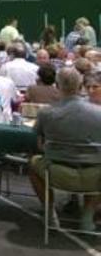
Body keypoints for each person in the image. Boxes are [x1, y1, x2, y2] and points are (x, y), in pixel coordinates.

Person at [28, 68, 101, 232]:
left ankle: (49, 212)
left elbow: (38, 141)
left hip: (56, 173)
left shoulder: (45, 113)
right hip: (95, 176)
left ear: (57, 85)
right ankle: (88, 215)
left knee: (32, 164)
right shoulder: (99, 113)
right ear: (81, 86)